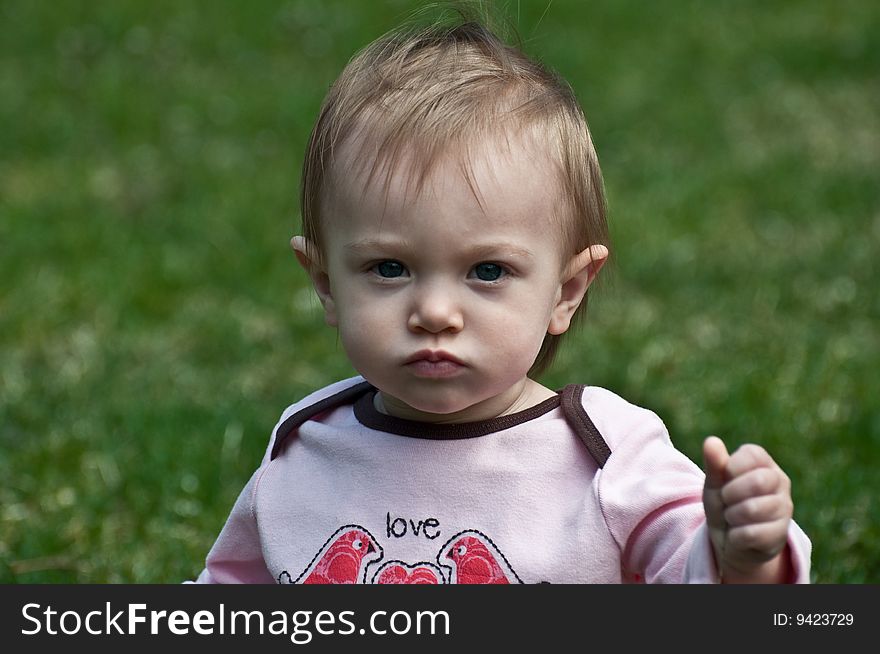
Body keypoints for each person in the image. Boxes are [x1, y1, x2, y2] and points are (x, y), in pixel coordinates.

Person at [191, 17, 810, 584]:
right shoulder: (305, 446)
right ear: (325, 282)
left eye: (487, 271)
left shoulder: (604, 455)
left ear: (565, 291)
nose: (435, 312)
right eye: (389, 268)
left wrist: (743, 553)